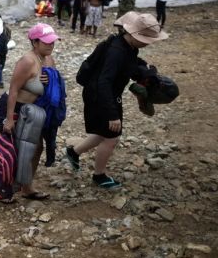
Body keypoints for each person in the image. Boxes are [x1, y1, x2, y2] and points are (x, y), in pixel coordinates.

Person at [66, 12, 168, 189]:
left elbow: (130, 63)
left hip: (106, 94)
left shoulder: (127, 46)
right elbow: (104, 81)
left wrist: (145, 71)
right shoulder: (117, 51)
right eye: (145, 39)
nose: (146, 43)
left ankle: (74, 152)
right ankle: (99, 176)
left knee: (104, 131)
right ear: (134, 34)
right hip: (100, 95)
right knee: (112, 136)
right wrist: (112, 113)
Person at [0, 23, 59, 200]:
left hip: (32, 111)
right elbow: (13, 89)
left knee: (37, 147)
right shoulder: (27, 61)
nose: (51, 45)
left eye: (53, 42)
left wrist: (48, 80)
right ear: (35, 42)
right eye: (47, 42)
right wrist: (9, 119)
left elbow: (53, 85)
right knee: (14, 150)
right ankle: (3, 188)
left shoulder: (48, 59)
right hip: (12, 107)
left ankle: (26, 186)